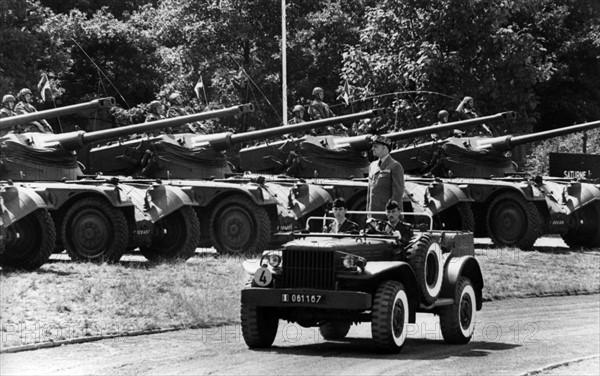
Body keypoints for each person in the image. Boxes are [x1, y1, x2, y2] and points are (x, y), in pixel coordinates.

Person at [366, 135, 404, 219]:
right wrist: (368, 214)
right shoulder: (373, 165)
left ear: (385, 148)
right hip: (373, 214)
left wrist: (392, 215)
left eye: (376, 146)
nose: (373, 149)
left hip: (387, 215)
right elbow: (370, 192)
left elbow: (398, 193)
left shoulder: (395, 166)